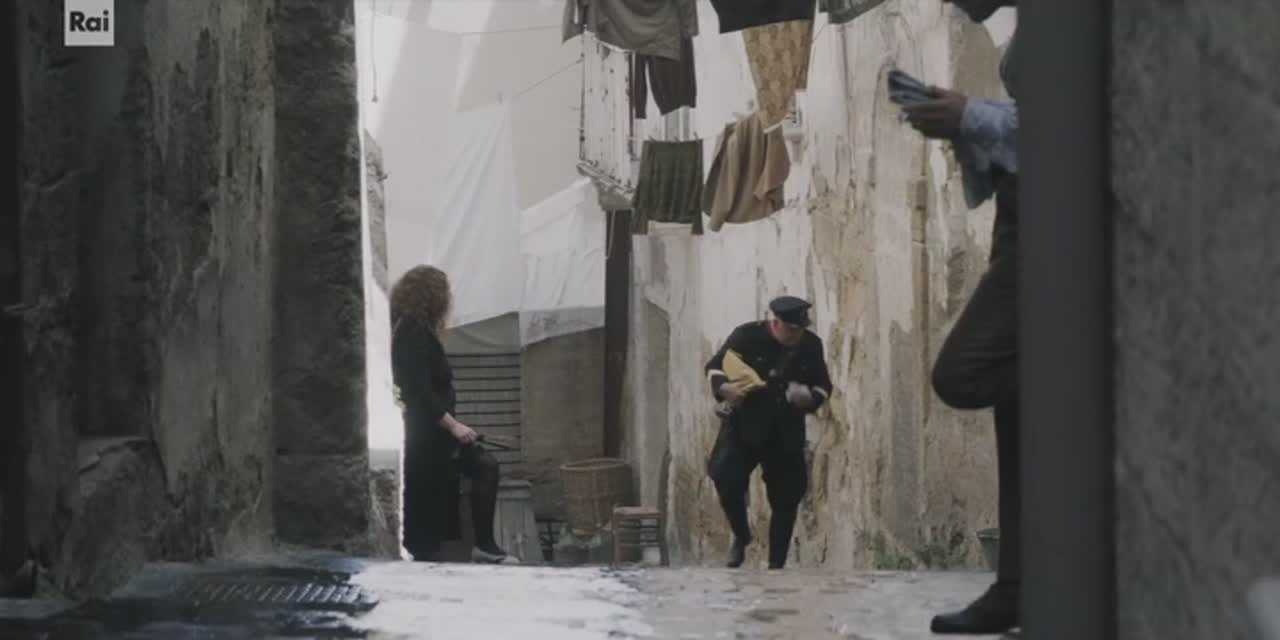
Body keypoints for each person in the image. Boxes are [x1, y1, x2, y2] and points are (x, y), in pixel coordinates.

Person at [901, 0, 1020, 634]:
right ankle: (1019, 587)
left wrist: (971, 116)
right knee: (1019, 416)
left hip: (1053, 234)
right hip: (1020, 222)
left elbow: (1090, 124)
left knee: (963, 373)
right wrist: (967, 126)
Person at [390, 265, 515, 565]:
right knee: (477, 468)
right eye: (444, 292)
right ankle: (478, 546)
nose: (448, 299)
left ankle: (482, 545)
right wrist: (454, 426)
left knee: (482, 465)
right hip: (426, 435)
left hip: (435, 433)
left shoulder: (417, 331)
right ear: (430, 295)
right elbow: (419, 391)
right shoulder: (411, 332)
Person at [704, 295, 834, 570]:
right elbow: (714, 367)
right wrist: (725, 388)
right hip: (745, 426)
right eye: (790, 330)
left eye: (799, 330)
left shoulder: (811, 345)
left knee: (787, 498)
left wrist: (809, 398)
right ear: (775, 323)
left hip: (785, 432)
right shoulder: (746, 336)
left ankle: (776, 565)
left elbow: (823, 385)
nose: (795, 336)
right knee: (726, 479)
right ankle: (741, 535)